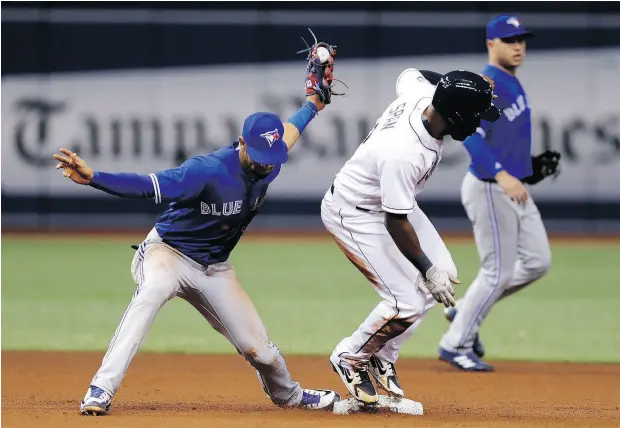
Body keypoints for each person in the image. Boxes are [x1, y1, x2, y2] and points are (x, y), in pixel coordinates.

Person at [53, 41, 342, 415]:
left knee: (262, 351)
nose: (267, 166)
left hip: (215, 268)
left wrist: (313, 103)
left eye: (272, 159)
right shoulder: (206, 171)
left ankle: (290, 395)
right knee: (151, 293)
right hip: (167, 253)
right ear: (241, 144)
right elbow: (147, 185)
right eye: (260, 158)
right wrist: (95, 178)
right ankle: (100, 390)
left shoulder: (272, 156)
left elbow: (295, 126)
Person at [321, 67, 500, 404]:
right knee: (406, 302)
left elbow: (412, 73)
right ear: (457, 115)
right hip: (354, 212)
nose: (479, 123)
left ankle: (381, 356)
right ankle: (350, 355)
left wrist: (467, 82)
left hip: (387, 204)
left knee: (444, 277)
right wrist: (424, 268)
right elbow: (395, 221)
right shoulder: (404, 153)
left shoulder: (423, 95)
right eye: (476, 115)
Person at [438, 15, 561, 372]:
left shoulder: (510, 81)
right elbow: (470, 134)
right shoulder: (489, 82)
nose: (518, 46)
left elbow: (504, 137)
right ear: (491, 43)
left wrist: (526, 168)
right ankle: (455, 343)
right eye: (510, 40)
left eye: (521, 39)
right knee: (497, 272)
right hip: (489, 188)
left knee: (537, 262)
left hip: (510, 186)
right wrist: (502, 173)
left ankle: (464, 310)